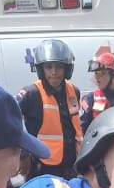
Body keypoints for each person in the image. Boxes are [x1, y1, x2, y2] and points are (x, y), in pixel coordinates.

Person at [17, 38, 83, 179]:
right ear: (41, 69)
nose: (54, 72)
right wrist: (23, 153)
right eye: (49, 67)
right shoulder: (31, 93)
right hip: (42, 167)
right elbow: (10, 118)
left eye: (59, 67)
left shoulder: (74, 91)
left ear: (67, 68)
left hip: (72, 165)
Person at [78, 50, 114, 130]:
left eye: (100, 73)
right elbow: (81, 129)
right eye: (95, 73)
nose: (96, 77)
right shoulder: (90, 99)